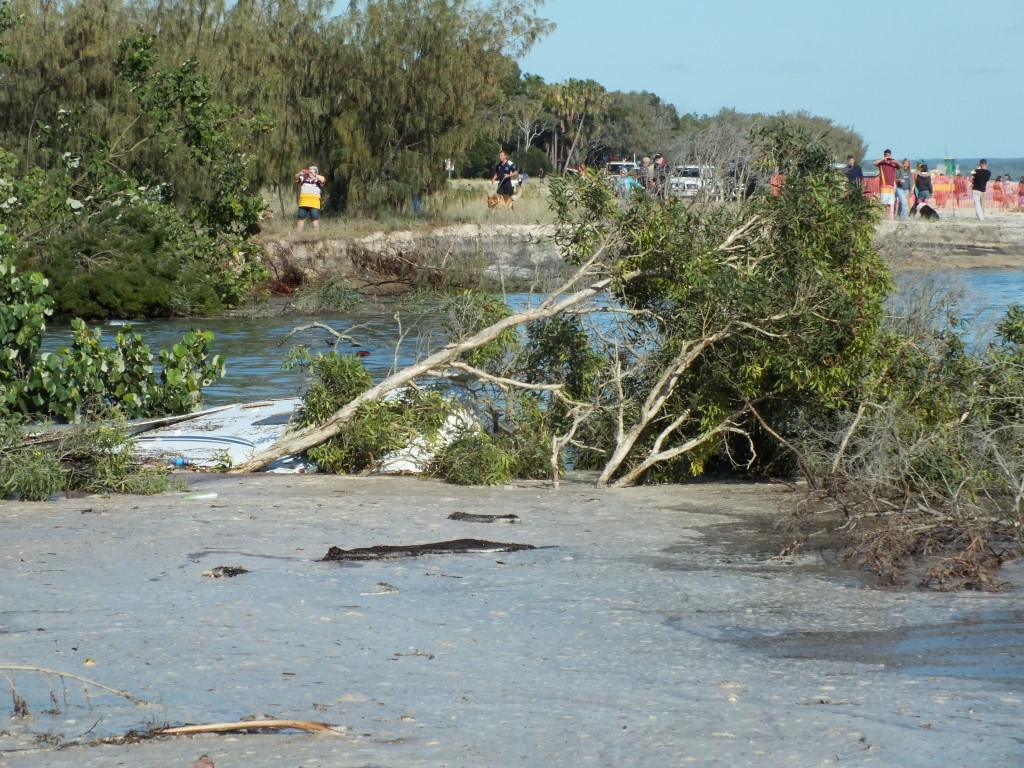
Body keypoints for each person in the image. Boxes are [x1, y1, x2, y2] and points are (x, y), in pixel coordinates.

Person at [294, 165, 326, 232]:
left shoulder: (318, 181)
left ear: (316, 172)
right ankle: (298, 236)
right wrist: (300, 173)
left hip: (314, 204)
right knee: (301, 220)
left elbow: (323, 180)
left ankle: (316, 237)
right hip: (303, 203)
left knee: (314, 221)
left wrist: (315, 175)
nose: (310, 173)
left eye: (312, 172)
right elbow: (296, 177)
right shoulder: (303, 179)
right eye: (309, 171)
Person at [873, 149, 900, 219]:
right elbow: (874, 163)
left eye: (889, 155)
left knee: (890, 203)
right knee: (883, 202)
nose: (888, 157)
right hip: (884, 185)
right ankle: (881, 216)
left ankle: (888, 217)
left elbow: (901, 167)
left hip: (891, 186)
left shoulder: (893, 163)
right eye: (887, 155)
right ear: (885, 155)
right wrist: (884, 159)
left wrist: (896, 160)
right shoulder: (882, 162)